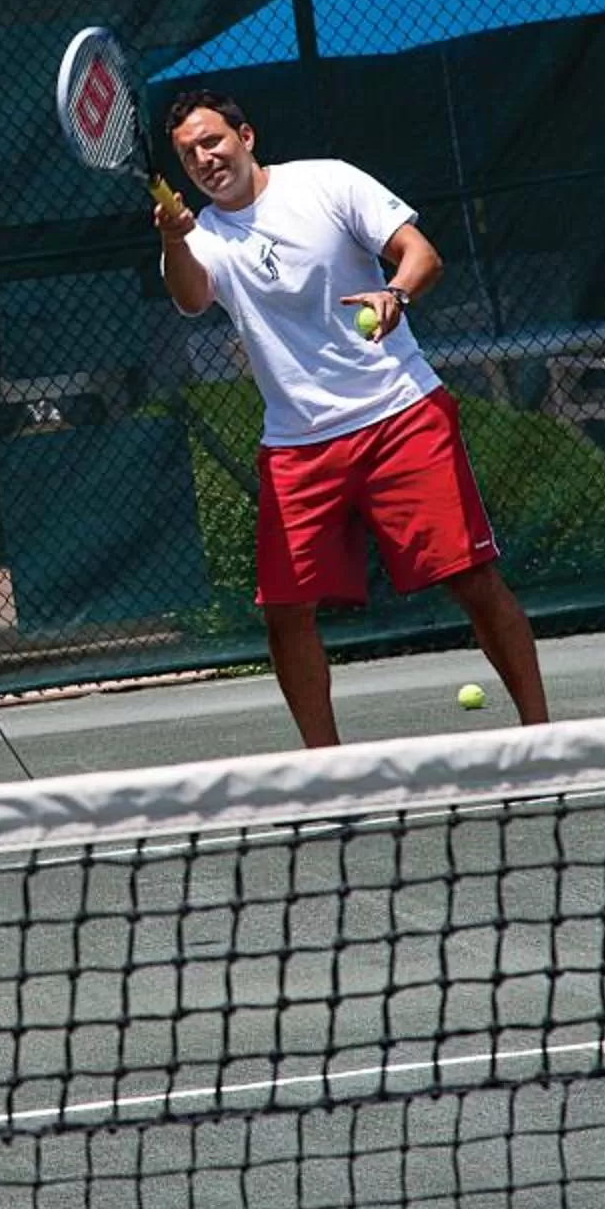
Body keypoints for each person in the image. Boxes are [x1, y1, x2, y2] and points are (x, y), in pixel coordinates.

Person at [155, 87, 551, 748]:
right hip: (297, 448)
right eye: (190, 154)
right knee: (285, 612)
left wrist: (395, 293)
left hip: (400, 416)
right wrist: (174, 243)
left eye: (213, 141)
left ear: (246, 137)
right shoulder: (205, 236)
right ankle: (326, 767)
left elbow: (421, 254)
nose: (205, 158)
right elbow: (192, 297)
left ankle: (542, 738)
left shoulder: (328, 183)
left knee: (473, 581)